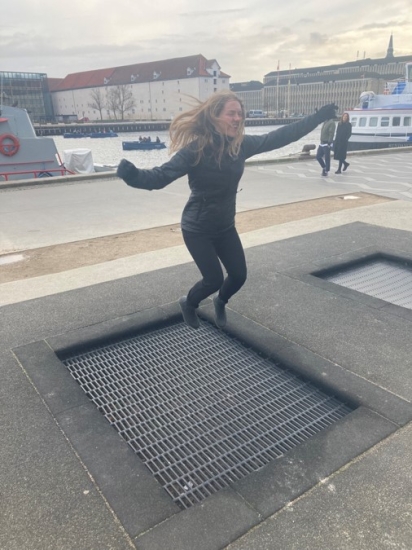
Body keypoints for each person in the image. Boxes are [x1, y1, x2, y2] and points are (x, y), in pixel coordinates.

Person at [116, 91, 337, 329]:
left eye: (240, 114)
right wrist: (133, 176)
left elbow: (280, 136)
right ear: (214, 116)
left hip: (225, 227)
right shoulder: (196, 150)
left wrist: (316, 118)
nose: (237, 119)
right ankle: (189, 303)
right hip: (197, 229)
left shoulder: (240, 146)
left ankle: (220, 302)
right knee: (213, 279)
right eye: (231, 113)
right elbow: (160, 177)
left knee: (239, 276)